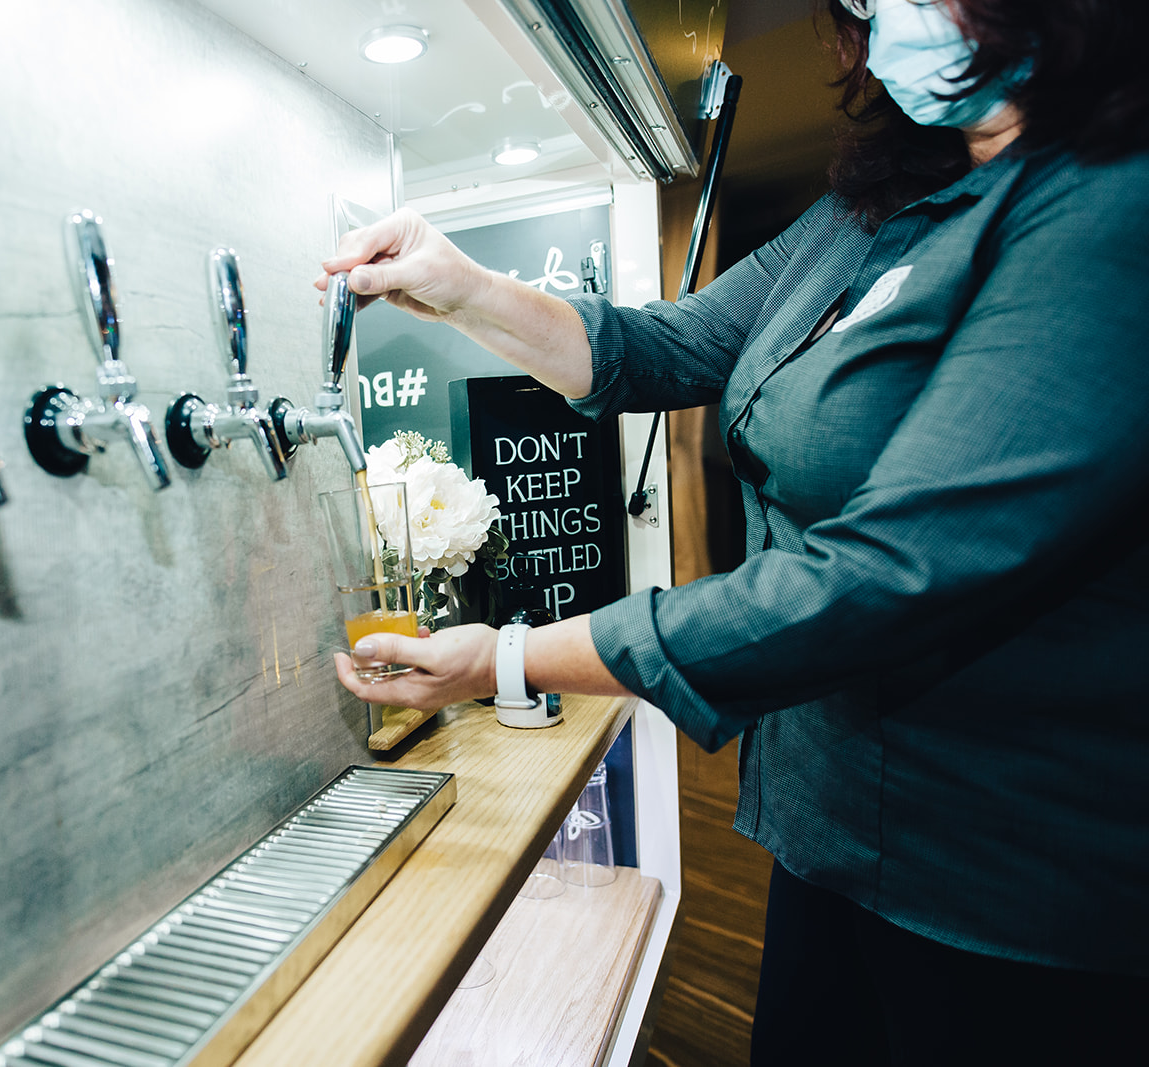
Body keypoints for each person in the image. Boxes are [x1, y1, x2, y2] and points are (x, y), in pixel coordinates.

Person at [324, 0, 1149, 1062]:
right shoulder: (875, 204)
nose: (870, 14)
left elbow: (887, 574)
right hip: (830, 822)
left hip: (1007, 878)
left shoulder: (1105, 206)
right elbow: (665, 346)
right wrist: (467, 289)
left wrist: (511, 657)